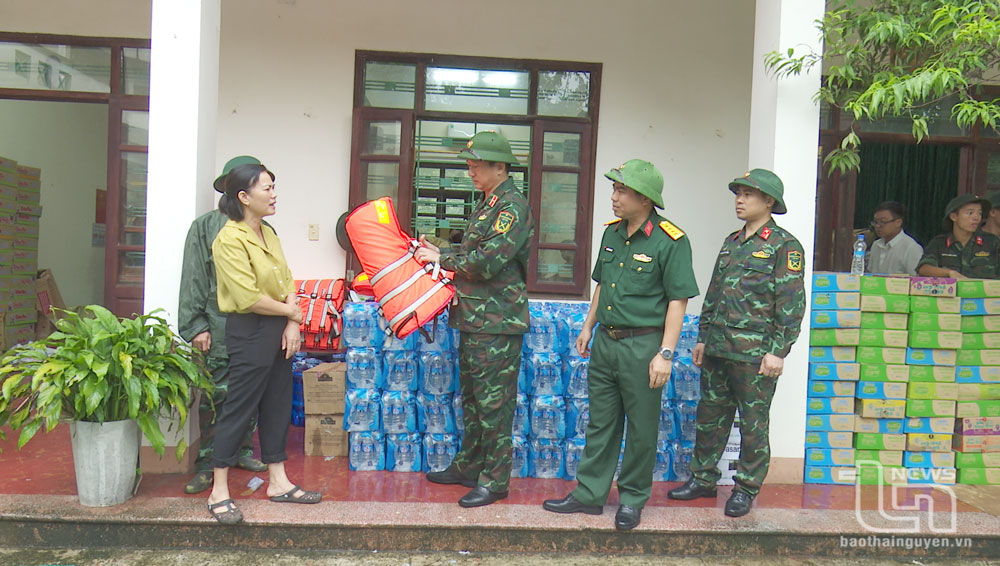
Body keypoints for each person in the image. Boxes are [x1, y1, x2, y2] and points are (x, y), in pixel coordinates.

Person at [542, 159, 698, 530]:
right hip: (607, 343)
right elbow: (602, 285)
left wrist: (665, 354)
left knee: (642, 427)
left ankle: (632, 499)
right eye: (614, 189)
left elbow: (679, 301)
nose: (614, 197)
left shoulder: (671, 240)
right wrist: (587, 325)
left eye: (621, 190)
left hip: (643, 346)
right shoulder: (612, 234)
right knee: (601, 422)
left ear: (644, 198)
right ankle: (589, 494)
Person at [668, 168, 805, 518]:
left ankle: (745, 488)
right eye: (738, 193)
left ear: (769, 202)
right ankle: (702, 479)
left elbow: (790, 305)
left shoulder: (784, 246)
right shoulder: (732, 242)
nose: (739, 200)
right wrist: (702, 338)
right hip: (718, 348)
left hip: (755, 355)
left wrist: (778, 350)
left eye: (748, 194)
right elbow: (715, 293)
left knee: (753, 423)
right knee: (710, 417)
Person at [413, 131, 533, 508]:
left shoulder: (511, 208)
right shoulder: (488, 204)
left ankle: (495, 480)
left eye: (476, 165)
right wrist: (442, 251)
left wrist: (442, 260)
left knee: (495, 406)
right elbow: (472, 252)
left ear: (500, 167)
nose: (470, 172)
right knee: (473, 401)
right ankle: (470, 465)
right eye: (469, 165)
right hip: (475, 320)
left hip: (496, 324)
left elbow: (485, 262)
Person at [205, 160, 320, 524]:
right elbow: (248, 298)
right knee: (239, 408)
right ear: (243, 196)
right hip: (250, 329)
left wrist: (291, 323)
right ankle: (218, 491)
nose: (273, 194)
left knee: (276, 405)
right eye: (266, 188)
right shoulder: (228, 239)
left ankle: (278, 482)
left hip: (278, 328)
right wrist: (295, 315)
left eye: (273, 187)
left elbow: (286, 280)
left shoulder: (268, 233)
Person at [178, 156, 269, 495]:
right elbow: (193, 280)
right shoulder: (205, 227)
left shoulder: (265, 229)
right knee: (215, 397)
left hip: (256, 326)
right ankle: (208, 462)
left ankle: (242, 451)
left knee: (250, 392)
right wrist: (196, 326)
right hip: (217, 325)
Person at [917, 194, 1000, 279]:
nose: (976, 217)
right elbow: (924, 269)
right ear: (954, 216)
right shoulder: (939, 243)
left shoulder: (992, 242)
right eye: (970, 213)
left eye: (979, 213)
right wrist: (949, 273)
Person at [867, 200, 923, 275]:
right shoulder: (876, 245)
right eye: (875, 222)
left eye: (883, 222)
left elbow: (916, 280)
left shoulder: (911, 248)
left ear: (898, 222)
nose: (877, 226)